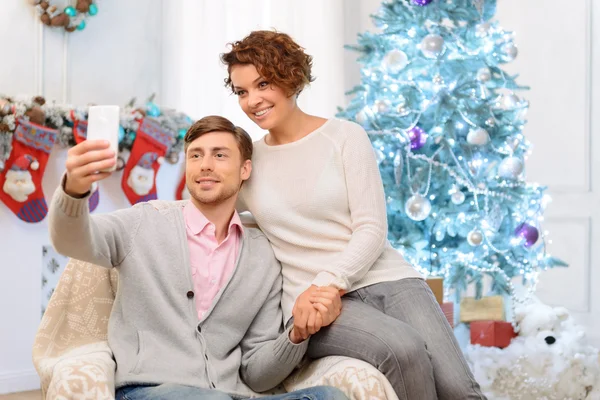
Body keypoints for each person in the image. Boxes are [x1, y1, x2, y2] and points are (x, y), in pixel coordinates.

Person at [221, 30, 487, 400]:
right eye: (242, 91)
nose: (253, 100)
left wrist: (330, 280)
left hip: (387, 279)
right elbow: (210, 207)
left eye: (263, 83)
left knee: (461, 389)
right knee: (403, 349)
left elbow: (371, 227)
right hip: (314, 302)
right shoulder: (250, 163)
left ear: (290, 77)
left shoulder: (345, 137)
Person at [48, 115, 348, 400]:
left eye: (219, 155)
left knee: (329, 397)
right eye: (195, 155)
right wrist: (75, 189)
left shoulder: (263, 255)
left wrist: (296, 334)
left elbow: (258, 375)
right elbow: (71, 240)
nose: (205, 165)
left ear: (245, 169)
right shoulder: (143, 221)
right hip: (150, 390)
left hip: (228, 393)